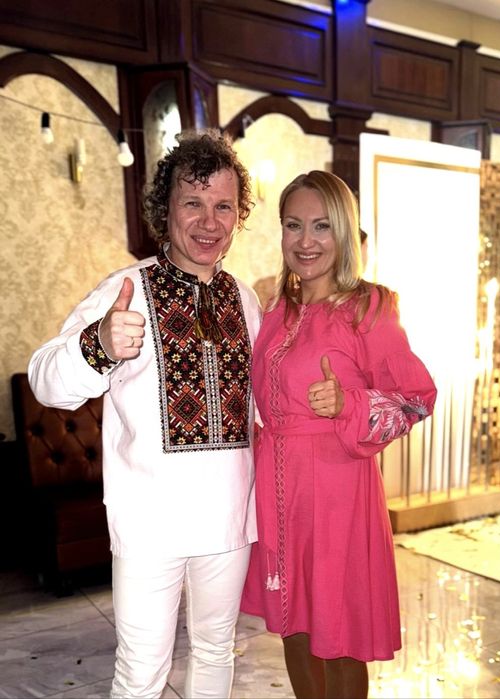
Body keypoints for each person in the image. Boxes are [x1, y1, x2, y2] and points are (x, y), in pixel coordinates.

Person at [28, 129, 261, 699]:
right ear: (165, 210)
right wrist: (99, 344)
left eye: (223, 206)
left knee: (216, 649)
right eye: (193, 203)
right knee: (140, 675)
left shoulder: (245, 299)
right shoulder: (125, 289)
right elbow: (45, 380)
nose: (209, 222)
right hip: (149, 522)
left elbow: (263, 406)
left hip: (229, 519)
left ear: (239, 215)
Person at [240, 170, 437, 699]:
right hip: (280, 487)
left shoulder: (369, 308)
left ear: (344, 231)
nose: (305, 241)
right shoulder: (276, 308)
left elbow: (417, 399)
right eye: (293, 225)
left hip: (338, 493)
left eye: (321, 226)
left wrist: (349, 403)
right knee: (295, 622)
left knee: (340, 628)